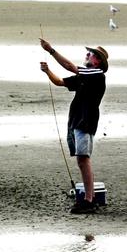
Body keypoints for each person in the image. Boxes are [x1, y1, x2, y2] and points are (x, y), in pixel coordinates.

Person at [39, 39, 108, 214]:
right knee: (81, 159)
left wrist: (51, 50)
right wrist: (48, 72)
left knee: (83, 159)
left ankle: (88, 200)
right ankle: (88, 198)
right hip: (77, 121)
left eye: (90, 53)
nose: (87, 54)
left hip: (86, 121)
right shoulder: (85, 75)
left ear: (98, 61)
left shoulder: (97, 74)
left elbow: (69, 66)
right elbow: (60, 82)